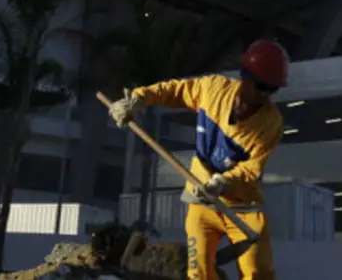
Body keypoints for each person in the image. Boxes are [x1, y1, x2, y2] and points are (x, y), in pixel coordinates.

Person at [106, 39, 289, 280]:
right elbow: (175, 91)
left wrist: (222, 183)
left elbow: (252, 168)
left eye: (272, 89)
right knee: (199, 274)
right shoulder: (213, 90)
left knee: (258, 273)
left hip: (243, 206)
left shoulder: (271, 124)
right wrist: (138, 99)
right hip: (202, 199)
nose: (265, 95)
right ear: (244, 75)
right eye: (261, 86)